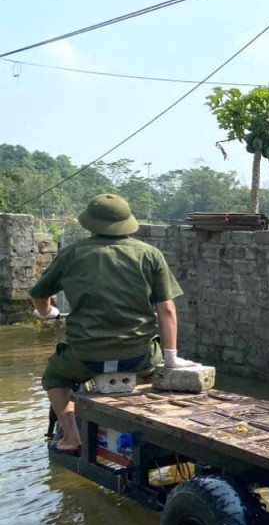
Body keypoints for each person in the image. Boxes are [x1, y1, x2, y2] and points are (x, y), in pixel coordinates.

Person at [30, 194, 196, 455]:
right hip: (138, 356)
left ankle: (72, 437)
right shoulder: (150, 254)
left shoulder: (73, 253)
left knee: (55, 376)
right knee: (151, 374)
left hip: (84, 356)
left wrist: (48, 312)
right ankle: (151, 429)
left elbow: (39, 294)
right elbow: (167, 309)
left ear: (90, 223)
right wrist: (171, 357)